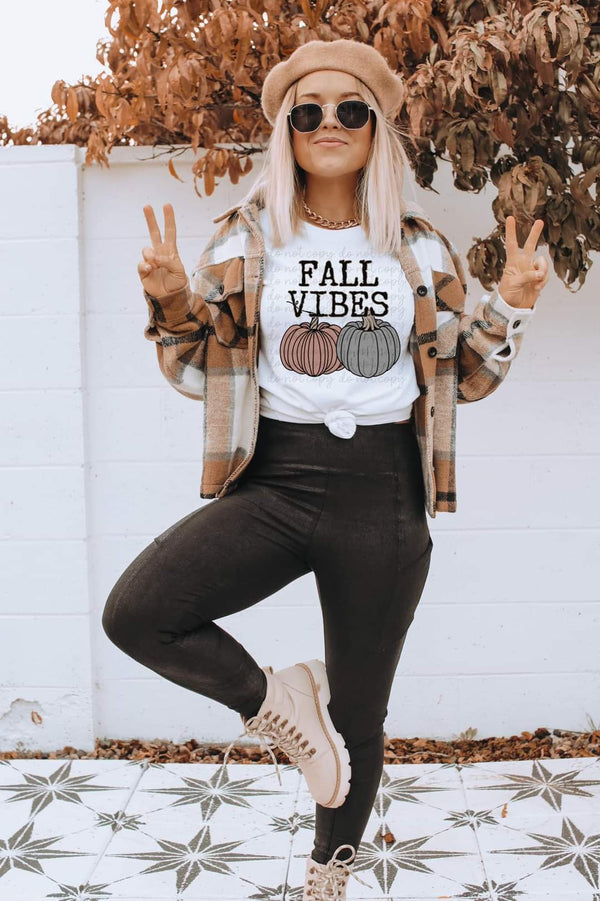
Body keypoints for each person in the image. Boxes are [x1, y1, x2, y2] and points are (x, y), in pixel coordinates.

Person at [102, 38, 547, 901]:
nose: (329, 123)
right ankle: (279, 703)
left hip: (384, 492)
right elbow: (197, 370)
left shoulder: (418, 246)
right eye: (308, 111)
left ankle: (328, 876)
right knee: (140, 613)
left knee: (360, 714)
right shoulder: (248, 235)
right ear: (288, 132)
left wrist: (511, 305)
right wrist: (170, 299)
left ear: (376, 128)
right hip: (277, 481)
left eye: (351, 109)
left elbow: (463, 377)